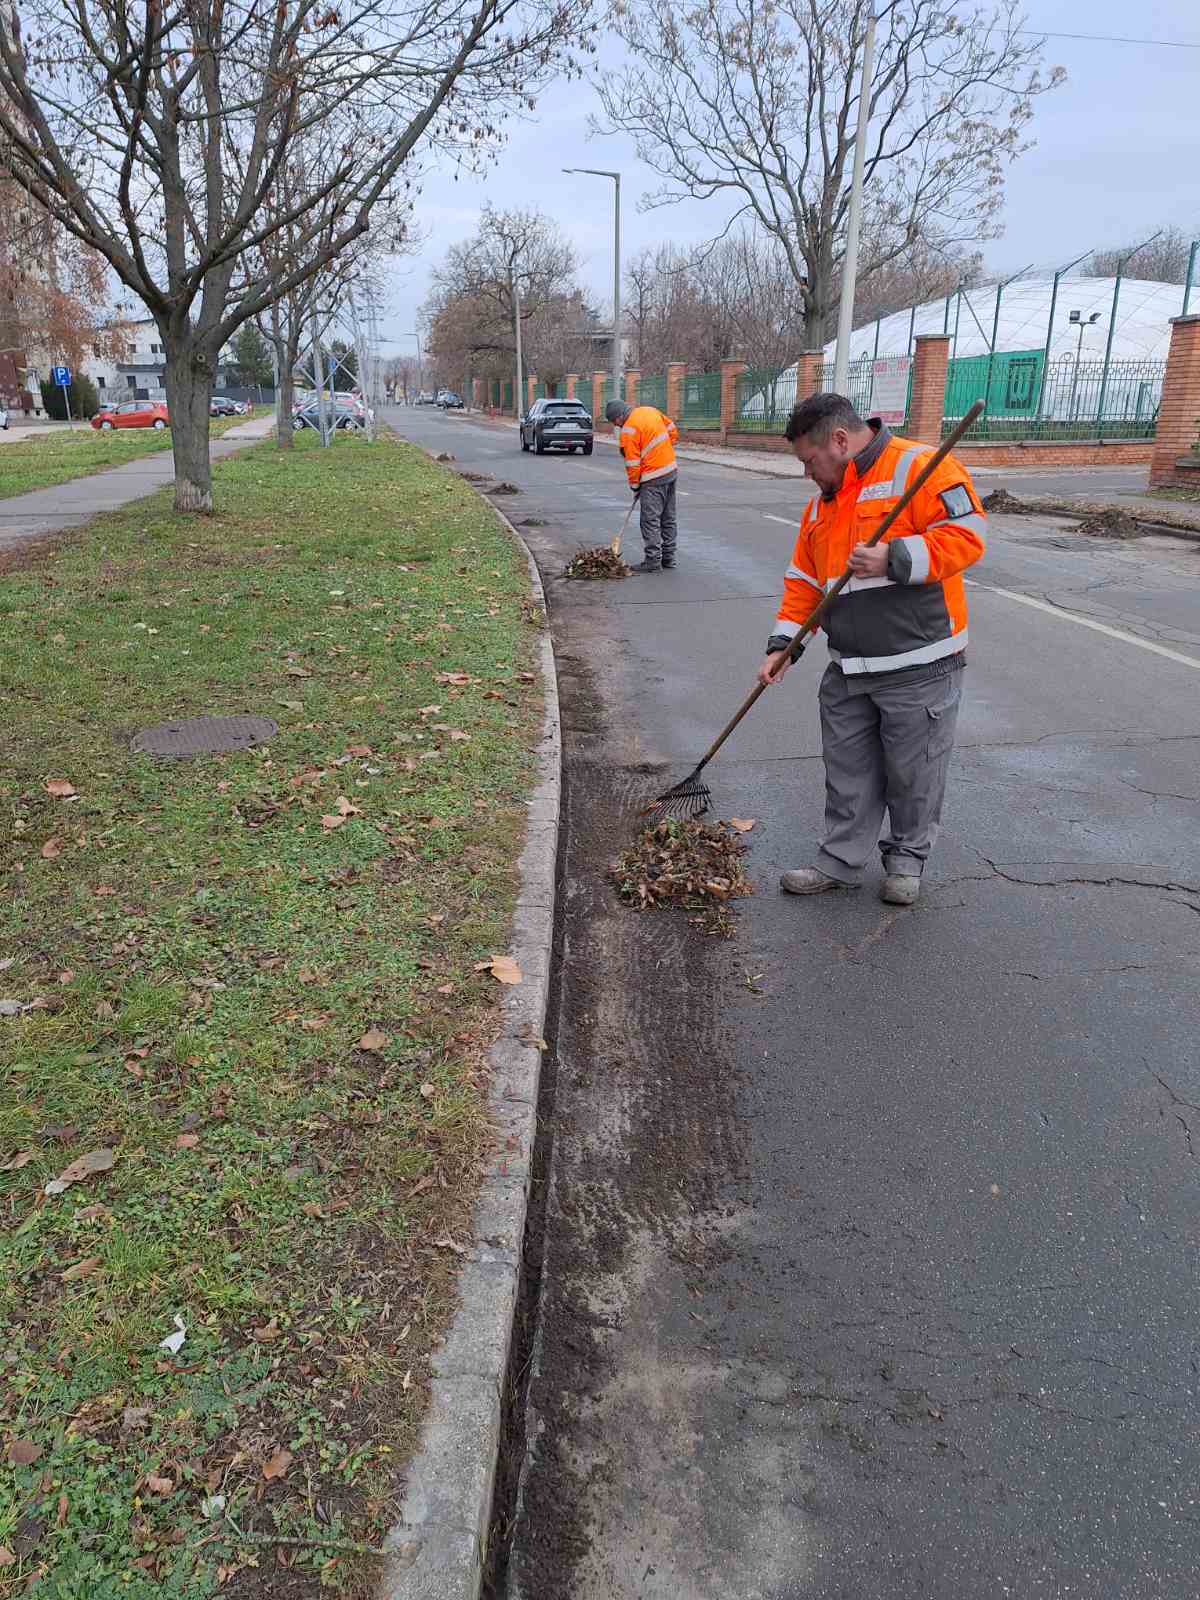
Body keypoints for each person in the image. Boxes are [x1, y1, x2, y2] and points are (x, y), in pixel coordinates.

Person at [757, 392, 986, 907]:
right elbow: (805, 582)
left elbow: (968, 535)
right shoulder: (821, 505)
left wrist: (896, 557)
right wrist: (783, 647)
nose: (807, 474)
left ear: (839, 441)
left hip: (919, 663)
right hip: (849, 666)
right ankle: (839, 860)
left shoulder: (921, 468)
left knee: (914, 771)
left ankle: (906, 860)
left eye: (809, 462)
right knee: (848, 771)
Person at [605, 398, 679, 573]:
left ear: (618, 417)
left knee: (650, 520)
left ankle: (653, 561)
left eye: (614, 422)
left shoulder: (628, 430)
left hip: (652, 478)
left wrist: (635, 486)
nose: (617, 426)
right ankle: (669, 558)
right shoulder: (650, 410)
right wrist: (662, 451)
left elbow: (632, 464)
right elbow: (672, 431)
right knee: (668, 517)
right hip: (671, 470)